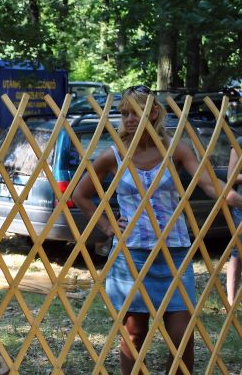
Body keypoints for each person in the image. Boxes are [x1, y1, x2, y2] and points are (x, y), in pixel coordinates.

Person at [72, 85, 242, 375]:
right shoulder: (114, 154)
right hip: (132, 256)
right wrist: (107, 223)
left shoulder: (175, 149)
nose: (128, 119)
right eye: (124, 113)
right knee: (134, 334)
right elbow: (80, 194)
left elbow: (209, 185)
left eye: (135, 112)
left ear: (152, 113)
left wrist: (235, 197)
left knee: (181, 336)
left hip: (174, 254)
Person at [227, 138, 242, 307]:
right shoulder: (239, 142)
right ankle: (231, 300)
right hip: (241, 203)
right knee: (238, 252)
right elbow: (232, 175)